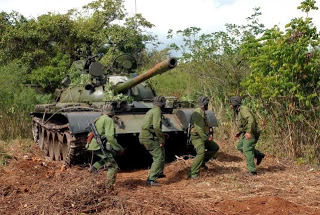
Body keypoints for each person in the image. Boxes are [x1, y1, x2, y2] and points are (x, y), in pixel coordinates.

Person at [86, 104, 124, 190]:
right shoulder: (109, 120)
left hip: (94, 144)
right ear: (112, 112)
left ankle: (94, 168)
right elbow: (110, 137)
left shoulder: (100, 118)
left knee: (109, 157)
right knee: (113, 166)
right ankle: (109, 188)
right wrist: (119, 149)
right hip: (99, 145)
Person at [230, 96, 265, 175]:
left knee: (247, 149)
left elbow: (251, 119)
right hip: (246, 132)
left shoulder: (243, 110)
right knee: (239, 146)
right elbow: (244, 123)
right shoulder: (239, 111)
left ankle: (252, 170)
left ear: (234, 104)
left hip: (252, 132)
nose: (230, 106)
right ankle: (258, 155)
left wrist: (249, 132)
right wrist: (239, 132)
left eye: (231, 104)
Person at [189, 96, 220, 179]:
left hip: (203, 136)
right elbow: (199, 128)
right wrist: (206, 137)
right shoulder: (198, 112)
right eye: (207, 104)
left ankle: (202, 162)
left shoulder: (202, 112)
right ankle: (193, 173)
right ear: (204, 105)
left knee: (215, 147)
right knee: (201, 152)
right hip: (197, 137)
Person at [139, 96, 167, 186]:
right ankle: (151, 179)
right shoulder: (157, 111)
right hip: (149, 137)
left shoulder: (152, 110)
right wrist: (161, 139)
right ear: (162, 104)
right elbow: (156, 127)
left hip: (145, 136)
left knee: (161, 152)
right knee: (158, 157)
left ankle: (159, 172)